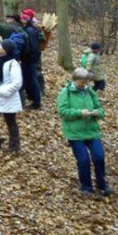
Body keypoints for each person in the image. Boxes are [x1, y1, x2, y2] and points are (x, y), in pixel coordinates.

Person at [57, 68, 113, 196]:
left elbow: (101, 110)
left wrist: (96, 113)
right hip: (75, 134)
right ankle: (86, 187)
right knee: (83, 160)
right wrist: (79, 113)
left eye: (86, 82)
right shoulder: (65, 93)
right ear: (75, 80)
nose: (84, 85)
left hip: (92, 131)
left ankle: (102, 184)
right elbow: (62, 112)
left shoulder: (90, 92)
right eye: (81, 82)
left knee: (99, 157)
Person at [0, 39, 22, 152]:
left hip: (8, 98)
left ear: (6, 49)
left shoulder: (13, 64)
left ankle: (14, 145)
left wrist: (5, 91)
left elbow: (17, 83)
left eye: (1, 46)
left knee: (10, 121)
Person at [19, 10, 42, 109]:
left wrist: (25, 54)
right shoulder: (27, 29)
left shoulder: (29, 31)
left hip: (30, 59)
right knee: (28, 79)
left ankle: (36, 102)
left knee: (32, 79)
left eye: (24, 18)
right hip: (28, 59)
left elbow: (32, 47)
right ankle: (32, 99)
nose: (22, 19)